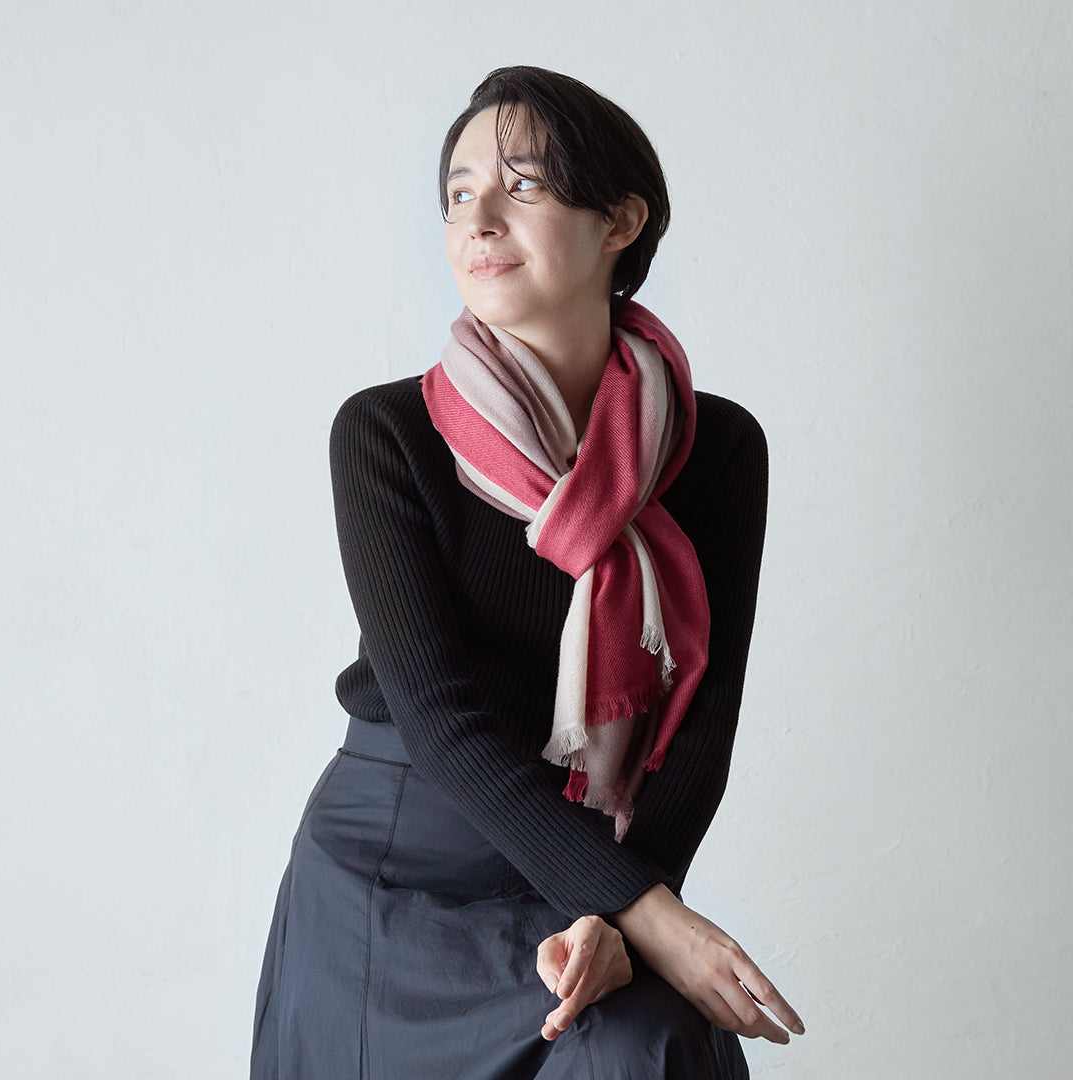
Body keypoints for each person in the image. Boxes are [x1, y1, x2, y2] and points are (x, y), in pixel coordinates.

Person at [251, 65, 803, 1079]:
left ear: (620, 221)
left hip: (586, 863)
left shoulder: (718, 448)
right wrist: (650, 914)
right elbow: (438, 717)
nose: (478, 219)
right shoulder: (388, 433)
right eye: (459, 193)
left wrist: (623, 912)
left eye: (524, 185)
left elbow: (702, 720)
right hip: (398, 869)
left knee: (655, 1043)